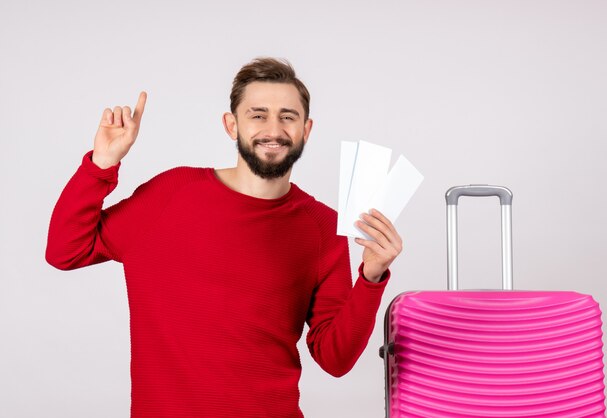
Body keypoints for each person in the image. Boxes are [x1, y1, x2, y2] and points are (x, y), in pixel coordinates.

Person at [46, 57, 403, 418]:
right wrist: (101, 165)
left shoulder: (322, 226)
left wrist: (371, 278)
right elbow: (65, 251)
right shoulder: (171, 194)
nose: (273, 129)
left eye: (288, 116)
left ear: (306, 130)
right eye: (258, 115)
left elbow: (335, 359)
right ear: (231, 125)